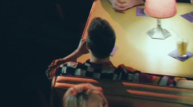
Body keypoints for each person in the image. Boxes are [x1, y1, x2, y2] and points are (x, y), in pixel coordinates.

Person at [46, 17, 178, 85]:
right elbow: (162, 82)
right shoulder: (125, 75)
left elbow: (50, 72)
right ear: (112, 48)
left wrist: (78, 52)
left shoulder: (70, 70)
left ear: (88, 47)